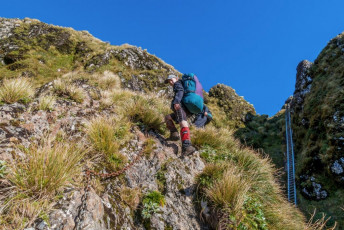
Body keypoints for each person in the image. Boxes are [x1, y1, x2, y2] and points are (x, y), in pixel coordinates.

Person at [164, 74, 196, 156]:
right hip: (186, 108)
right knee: (168, 117)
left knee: (183, 122)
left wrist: (176, 102)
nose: (170, 82)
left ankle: (187, 146)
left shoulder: (178, 83)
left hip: (180, 107)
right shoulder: (182, 84)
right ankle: (174, 134)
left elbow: (180, 91)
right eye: (169, 81)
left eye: (171, 80)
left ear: (176, 78)